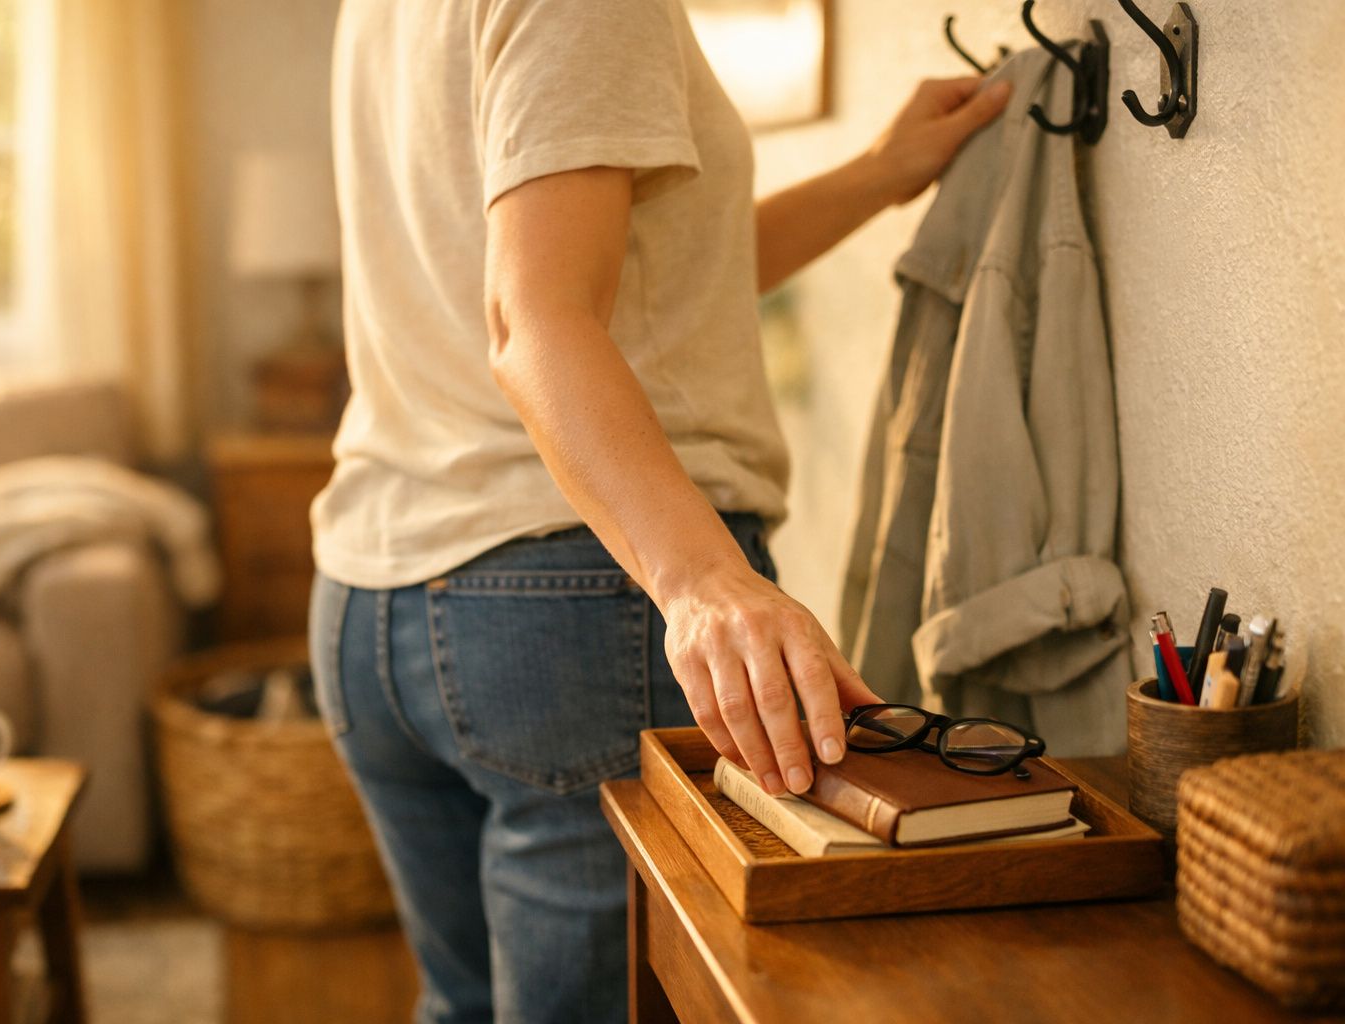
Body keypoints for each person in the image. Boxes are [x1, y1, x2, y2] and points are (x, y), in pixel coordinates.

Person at [310, 2, 1010, 1021]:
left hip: (371, 601)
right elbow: (534, 318)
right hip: (562, 611)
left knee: (460, 1006)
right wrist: (703, 578)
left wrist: (876, 172)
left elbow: (653, 276)